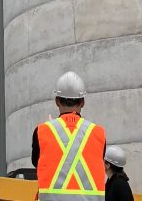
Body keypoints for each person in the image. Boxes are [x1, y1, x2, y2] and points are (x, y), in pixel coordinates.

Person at [32, 72, 107, 201]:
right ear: (82, 102)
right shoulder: (98, 132)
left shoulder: (42, 131)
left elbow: (36, 162)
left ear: (57, 101)